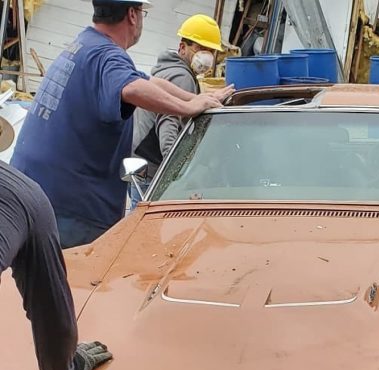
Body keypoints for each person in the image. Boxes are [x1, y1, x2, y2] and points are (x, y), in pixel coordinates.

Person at [10, 0, 233, 249]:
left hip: (31, 190)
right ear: (132, 15)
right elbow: (133, 87)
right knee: (86, 284)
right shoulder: (107, 56)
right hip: (70, 209)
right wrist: (188, 108)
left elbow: (145, 81)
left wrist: (197, 98)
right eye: (143, 12)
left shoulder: (85, 45)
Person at [0, 162, 111, 370]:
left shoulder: (23, 197)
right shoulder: (27, 194)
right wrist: (64, 368)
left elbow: (50, 308)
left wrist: (64, 368)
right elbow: (53, 314)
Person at [131, 14, 225, 207]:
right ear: (183, 47)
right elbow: (168, 124)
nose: (206, 56)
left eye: (210, 51)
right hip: (154, 173)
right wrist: (175, 177)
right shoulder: (182, 77)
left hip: (140, 166)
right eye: (200, 48)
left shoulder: (166, 70)